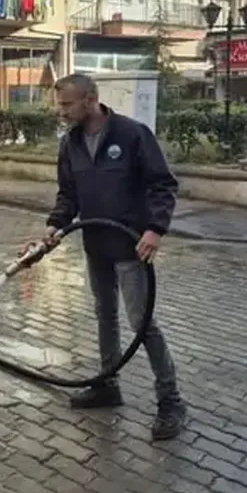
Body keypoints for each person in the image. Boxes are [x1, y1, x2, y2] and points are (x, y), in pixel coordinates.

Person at [23, 73, 186, 440]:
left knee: (141, 323)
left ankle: (171, 400)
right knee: (105, 316)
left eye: (66, 104)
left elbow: (163, 184)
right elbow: (68, 196)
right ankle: (107, 385)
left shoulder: (131, 135)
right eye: (59, 104)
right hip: (96, 244)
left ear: (90, 99)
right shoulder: (71, 144)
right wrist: (54, 227)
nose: (60, 111)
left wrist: (155, 229)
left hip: (131, 246)